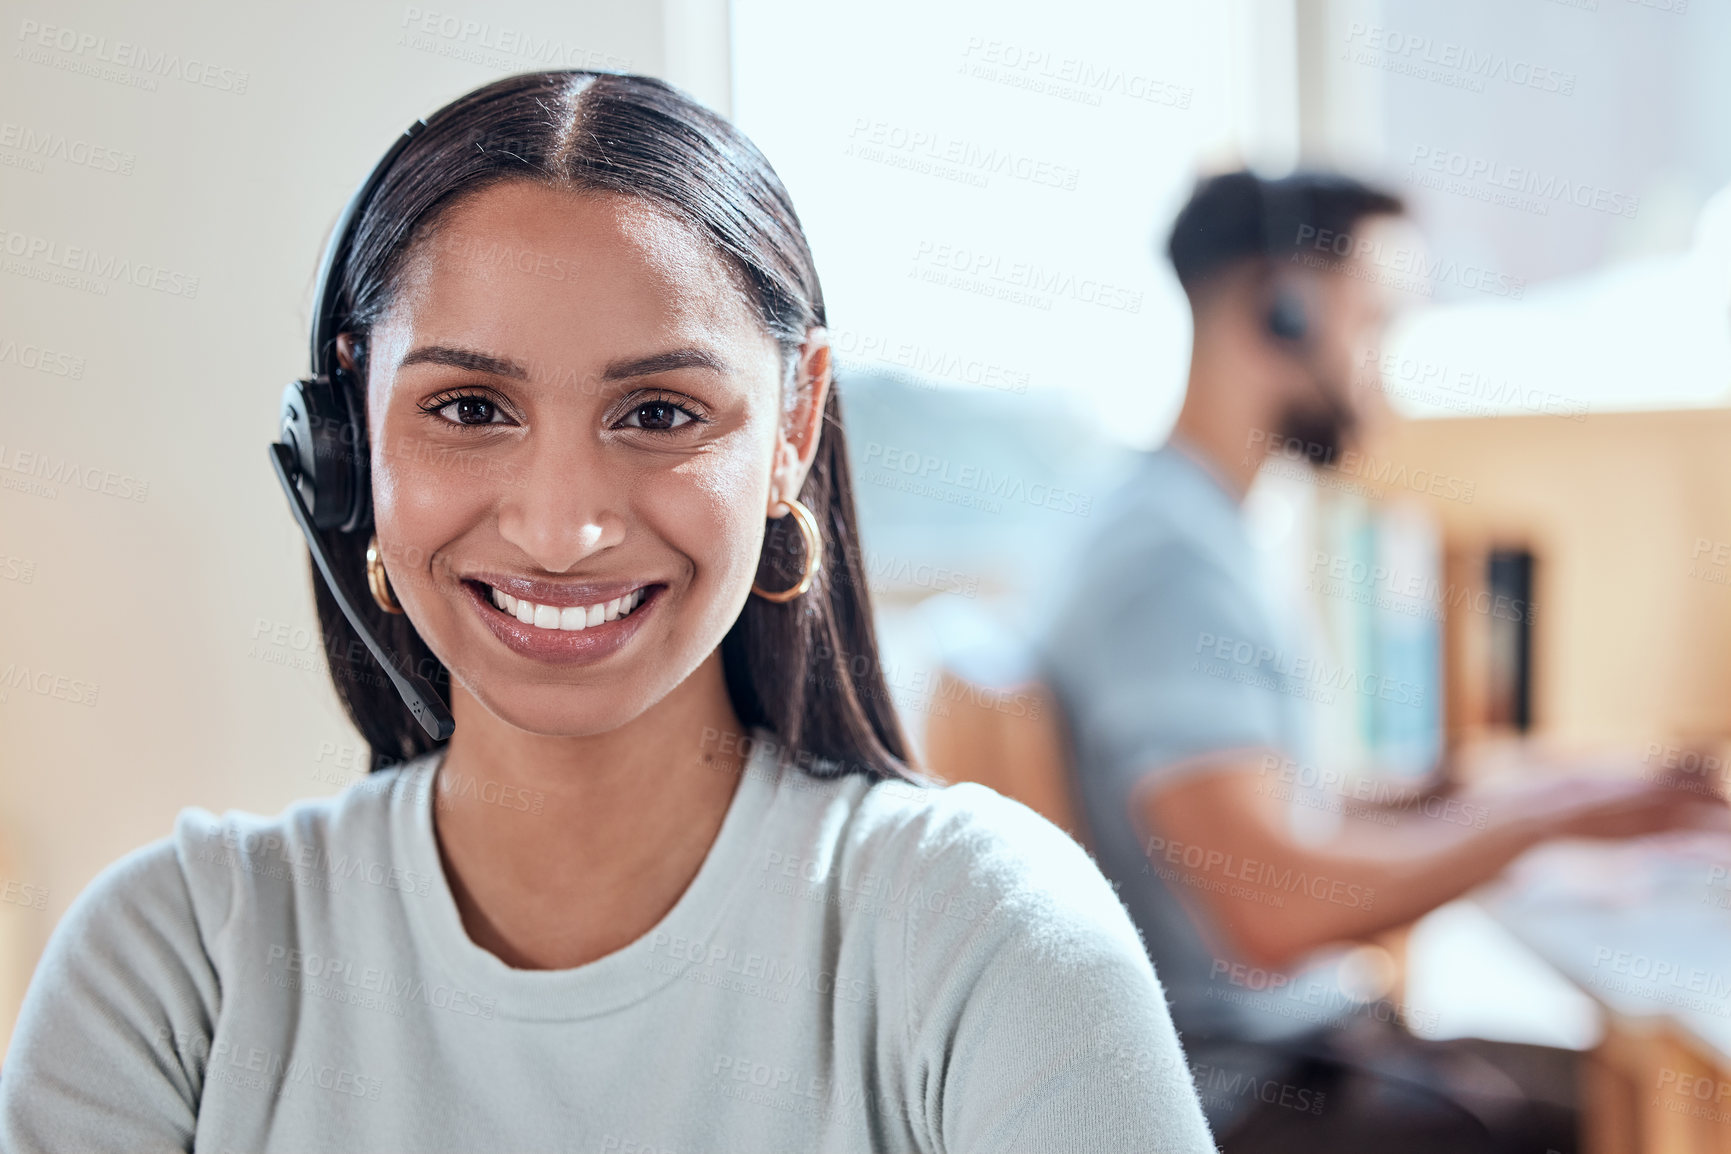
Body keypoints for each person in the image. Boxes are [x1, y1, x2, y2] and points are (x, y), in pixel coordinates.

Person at [0, 72, 1216, 1153]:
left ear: (793, 428)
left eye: (660, 413)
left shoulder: (986, 938)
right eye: (470, 408)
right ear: (344, 444)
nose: (560, 528)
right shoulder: (175, 964)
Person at [1036, 169, 1724, 1153]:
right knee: (1657, 1117)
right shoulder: (1168, 563)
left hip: (1267, 1053)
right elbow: (1269, 907)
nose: (1383, 371)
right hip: (1244, 1086)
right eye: (1376, 322)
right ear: (1279, 311)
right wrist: (1544, 818)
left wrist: (1476, 793)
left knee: (1609, 1083)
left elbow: (1260, 820)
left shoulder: (1179, 525)